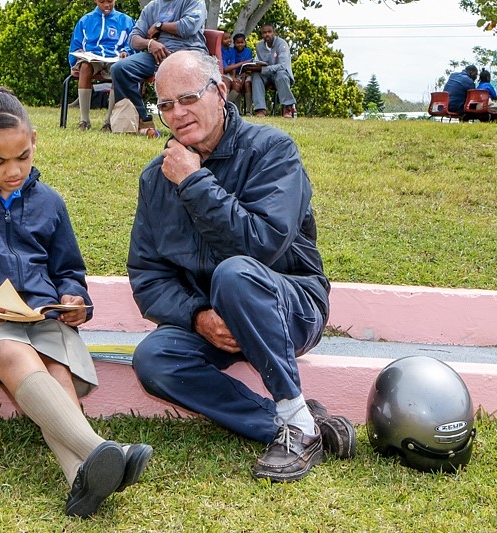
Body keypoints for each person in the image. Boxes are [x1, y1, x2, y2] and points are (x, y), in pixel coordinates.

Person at [0, 86, 152, 518]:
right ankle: (101, 448)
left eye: (23, 157)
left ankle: (80, 478)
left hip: (42, 318)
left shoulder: (50, 203)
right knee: (14, 353)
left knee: (56, 367)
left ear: (35, 141)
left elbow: (69, 271)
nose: (14, 170)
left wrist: (75, 300)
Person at [127, 51, 355, 483]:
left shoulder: (272, 151)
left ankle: (296, 423)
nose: (177, 114)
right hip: (216, 318)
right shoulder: (156, 178)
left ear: (220, 92)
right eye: (166, 105)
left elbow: (261, 245)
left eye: (188, 98)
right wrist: (199, 317)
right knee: (154, 358)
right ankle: (297, 423)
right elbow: (148, 276)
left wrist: (194, 182)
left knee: (235, 274)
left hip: (288, 306)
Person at [109, 0, 207, 132]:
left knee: (178, 69)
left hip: (188, 53)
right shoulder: (152, 7)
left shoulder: (193, 1)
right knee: (120, 68)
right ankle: (142, 122)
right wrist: (150, 44)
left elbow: (188, 27)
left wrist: (159, 26)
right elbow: (133, 39)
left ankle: (191, 123)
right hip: (158, 56)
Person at [68, 0, 135, 132]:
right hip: (93, 58)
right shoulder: (85, 21)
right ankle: (84, 120)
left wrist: (126, 52)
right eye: (102, 1)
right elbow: (75, 46)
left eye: (110, 1)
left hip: (115, 59)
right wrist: (78, 53)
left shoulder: (126, 21)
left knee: (118, 70)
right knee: (85, 67)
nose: (106, 5)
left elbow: (133, 44)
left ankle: (108, 122)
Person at [247, 23, 296, 118]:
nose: (267, 34)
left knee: (281, 75)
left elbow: (282, 66)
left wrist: (264, 69)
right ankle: (260, 109)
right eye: (264, 32)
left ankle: (287, 107)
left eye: (269, 32)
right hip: (266, 74)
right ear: (262, 34)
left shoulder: (282, 44)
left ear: (274, 32)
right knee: (256, 75)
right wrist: (254, 66)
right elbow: (260, 61)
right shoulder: (259, 46)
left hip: (280, 73)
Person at [221, 31, 253, 115]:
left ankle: (248, 111)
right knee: (231, 83)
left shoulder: (244, 51)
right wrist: (234, 77)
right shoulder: (225, 50)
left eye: (229, 38)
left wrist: (235, 77)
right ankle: (229, 108)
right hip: (225, 73)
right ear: (234, 43)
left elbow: (235, 65)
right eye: (237, 43)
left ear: (245, 42)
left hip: (245, 73)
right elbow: (227, 68)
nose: (240, 45)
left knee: (245, 84)